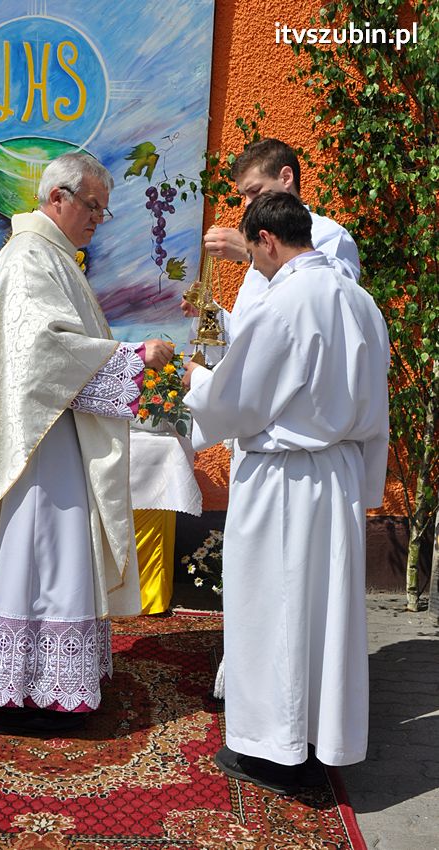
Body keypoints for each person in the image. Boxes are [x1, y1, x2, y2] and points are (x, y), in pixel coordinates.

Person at [0, 153, 173, 738]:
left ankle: (39, 679)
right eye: (93, 205)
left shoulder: (49, 255)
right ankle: (27, 688)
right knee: (42, 552)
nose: (100, 218)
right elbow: (44, 353)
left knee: (49, 554)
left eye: (103, 207)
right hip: (38, 444)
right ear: (58, 198)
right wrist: (134, 357)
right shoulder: (28, 257)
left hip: (52, 431)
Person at [182, 191, 390, 794]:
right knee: (325, 614)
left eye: (252, 254)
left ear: (267, 240)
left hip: (285, 482)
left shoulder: (286, 301)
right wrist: (366, 484)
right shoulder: (360, 301)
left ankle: (275, 752)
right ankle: (319, 739)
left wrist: (193, 379)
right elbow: (372, 409)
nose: (253, 266)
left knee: (276, 610)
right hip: (339, 479)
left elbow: (237, 401)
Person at [181, 138, 360, 345]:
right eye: (244, 196)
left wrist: (249, 251)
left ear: (286, 177)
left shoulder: (330, 235)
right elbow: (247, 336)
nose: (247, 203)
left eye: (255, 191)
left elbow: (329, 304)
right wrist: (207, 313)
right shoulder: (261, 246)